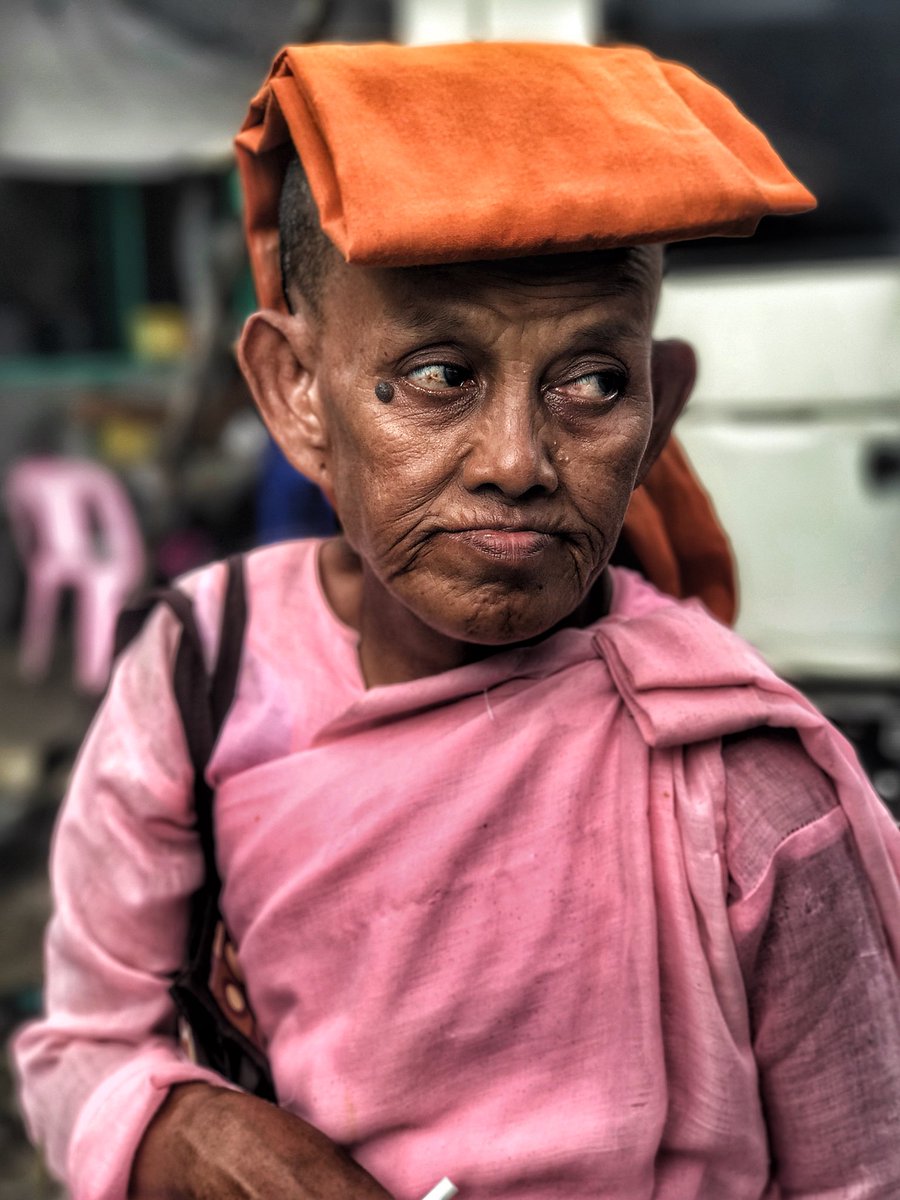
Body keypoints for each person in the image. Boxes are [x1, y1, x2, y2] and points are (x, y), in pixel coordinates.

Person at [12, 40, 900, 1200]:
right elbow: (79, 1043)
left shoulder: (739, 779)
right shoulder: (205, 671)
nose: (520, 462)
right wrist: (185, 1131)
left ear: (658, 404)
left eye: (591, 382)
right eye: (437, 375)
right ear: (297, 394)